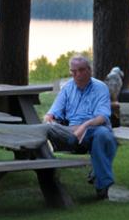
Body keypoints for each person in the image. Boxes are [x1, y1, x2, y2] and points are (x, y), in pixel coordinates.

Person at [43, 55, 123, 200]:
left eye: (81, 70)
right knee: (47, 129)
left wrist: (84, 125)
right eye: (74, 71)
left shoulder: (100, 88)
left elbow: (102, 117)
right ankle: (100, 178)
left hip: (93, 129)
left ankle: (103, 186)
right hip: (71, 133)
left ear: (89, 70)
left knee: (103, 134)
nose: (77, 75)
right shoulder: (67, 88)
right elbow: (52, 113)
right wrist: (49, 119)